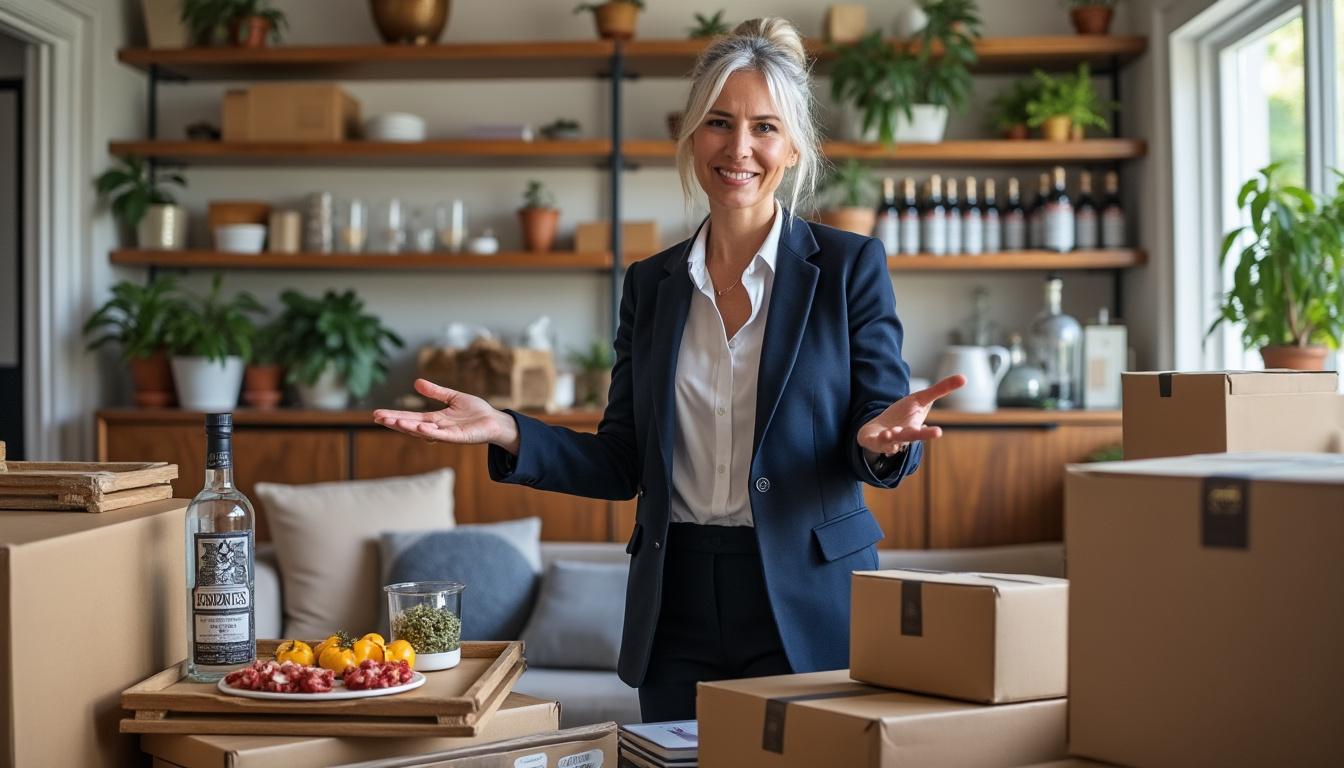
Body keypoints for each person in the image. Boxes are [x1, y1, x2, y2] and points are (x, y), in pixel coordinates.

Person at [373, 16, 964, 723]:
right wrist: (507, 430)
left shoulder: (847, 268)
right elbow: (624, 459)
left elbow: (879, 422)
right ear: (691, 135)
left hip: (807, 598)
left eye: (765, 127)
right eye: (719, 122)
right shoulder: (651, 285)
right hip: (676, 596)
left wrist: (877, 442)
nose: (739, 147)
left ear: (795, 146)